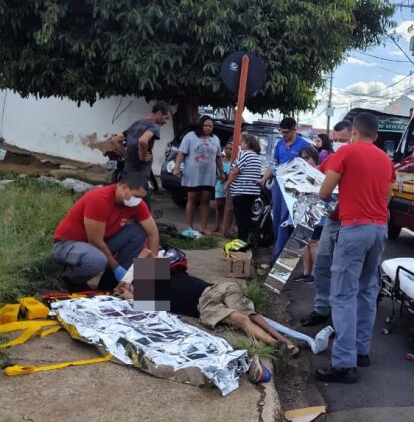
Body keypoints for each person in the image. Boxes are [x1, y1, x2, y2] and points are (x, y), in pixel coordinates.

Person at [315, 113, 395, 384]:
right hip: (379, 228)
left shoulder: (346, 153)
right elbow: (388, 195)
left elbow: (325, 192)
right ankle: (362, 351)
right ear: (375, 134)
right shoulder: (386, 160)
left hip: (354, 229)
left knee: (342, 294)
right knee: (367, 290)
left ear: (354, 132)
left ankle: (344, 364)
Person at [113, 261, 298, 355]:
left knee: (250, 313)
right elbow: (140, 303)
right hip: (204, 304)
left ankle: (286, 341)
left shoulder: (162, 272)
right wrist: (130, 294)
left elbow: (146, 255)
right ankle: (276, 345)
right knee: (240, 318)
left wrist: (126, 279)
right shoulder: (151, 299)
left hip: (217, 287)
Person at [51, 171, 160, 292]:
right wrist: (116, 268)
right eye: (136, 196)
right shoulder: (100, 199)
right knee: (97, 260)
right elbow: (95, 241)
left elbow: (153, 232)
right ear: (124, 187)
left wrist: (152, 267)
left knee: (138, 231)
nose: (138, 200)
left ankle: (112, 284)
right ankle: (68, 280)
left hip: (99, 244)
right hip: (68, 244)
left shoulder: (136, 204)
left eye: (141, 197)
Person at [300, 120, 353, 327]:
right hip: (332, 219)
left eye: (343, 140)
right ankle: (322, 309)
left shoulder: (360, 158)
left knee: (344, 270)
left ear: (353, 135)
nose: (339, 143)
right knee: (322, 264)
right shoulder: (332, 158)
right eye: (336, 140)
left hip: (351, 223)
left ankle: (340, 315)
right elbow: (315, 175)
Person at [258, 117, 309, 259]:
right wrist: (263, 179)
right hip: (278, 187)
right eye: (282, 132)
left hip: (293, 189)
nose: (284, 135)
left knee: (285, 220)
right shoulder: (280, 144)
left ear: (295, 129)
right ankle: (278, 248)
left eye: (286, 132)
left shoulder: (304, 145)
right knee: (276, 218)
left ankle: (280, 253)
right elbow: (273, 164)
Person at [110, 102, 173, 204]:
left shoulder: (137, 123)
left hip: (128, 170)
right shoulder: (154, 126)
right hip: (140, 173)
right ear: (159, 113)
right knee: (142, 205)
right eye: (166, 118)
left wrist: (126, 154)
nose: (165, 122)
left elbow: (115, 140)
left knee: (127, 201)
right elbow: (143, 140)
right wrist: (142, 156)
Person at [173, 116, 224, 236]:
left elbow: (218, 157)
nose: (208, 128)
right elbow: (181, 153)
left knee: (205, 201)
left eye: (210, 126)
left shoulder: (215, 139)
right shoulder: (190, 136)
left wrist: (221, 172)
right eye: (205, 125)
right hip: (192, 175)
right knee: (192, 200)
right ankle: (190, 227)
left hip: (209, 176)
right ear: (201, 125)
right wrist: (176, 167)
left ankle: (203, 227)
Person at [225, 134, 264, 243]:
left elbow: (236, 171)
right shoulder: (257, 157)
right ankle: (245, 239)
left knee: (240, 217)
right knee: (246, 216)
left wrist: (227, 183)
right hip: (252, 191)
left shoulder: (244, 154)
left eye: (241, 142)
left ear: (246, 144)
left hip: (241, 190)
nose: (240, 145)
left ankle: (241, 241)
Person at [295, 146, 323, 284]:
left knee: (313, 243)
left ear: (314, 158)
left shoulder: (319, 173)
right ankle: (306, 272)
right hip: (302, 212)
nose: (304, 160)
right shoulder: (301, 173)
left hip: (315, 214)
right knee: (304, 243)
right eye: (302, 157)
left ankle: (314, 274)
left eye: (307, 157)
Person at [215, 141, 235, 236]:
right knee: (219, 206)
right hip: (219, 187)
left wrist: (227, 177)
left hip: (229, 188)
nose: (228, 151)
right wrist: (221, 176)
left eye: (230, 149)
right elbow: (216, 174)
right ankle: (218, 224)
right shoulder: (221, 161)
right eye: (226, 149)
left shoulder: (234, 162)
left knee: (228, 208)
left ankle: (226, 226)